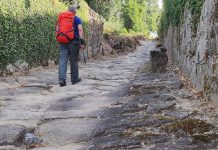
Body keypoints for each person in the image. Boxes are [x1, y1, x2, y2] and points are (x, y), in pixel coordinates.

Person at [58, 6, 85, 87]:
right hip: (74, 42)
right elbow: (80, 30)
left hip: (63, 41)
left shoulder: (62, 17)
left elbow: (58, 28)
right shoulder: (77, 19)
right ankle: (74, 79)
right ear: (75, 12)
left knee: (63, 59)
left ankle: (62, 79)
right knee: (73, 60)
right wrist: (82, 42)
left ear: (67, 11)